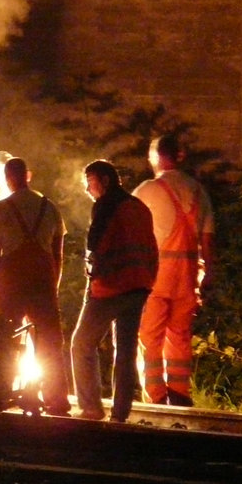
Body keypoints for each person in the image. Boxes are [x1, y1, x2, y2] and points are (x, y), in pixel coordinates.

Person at [70, 159, 158, 422]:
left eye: (90, 182)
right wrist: (148, 281)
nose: (88, 189)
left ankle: (90, 408)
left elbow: (94, 247)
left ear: (105, 181)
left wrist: (92, 277)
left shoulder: (105, 206)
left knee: (82, 344)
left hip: (109, 288)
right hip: (139, 287)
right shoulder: (140, 207)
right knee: (126, 351)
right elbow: (152, 249)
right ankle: (120, 414)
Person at [132, 135, 215, 406]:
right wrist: (210, 274)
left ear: (156, 157)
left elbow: (128, 230)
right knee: (179, 337)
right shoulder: (198, 191)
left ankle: (155, 398)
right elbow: (208, 238)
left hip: (155, 277)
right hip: (187, 277)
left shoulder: (146, 190)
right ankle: (180, 396)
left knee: (149, 338)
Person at [0, 157, 70, 416]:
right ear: (27, 176)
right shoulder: (50, 207)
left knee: (3, 339)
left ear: (8, 178)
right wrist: (52, 285)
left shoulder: (0, 208)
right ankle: (57, 400)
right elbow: (58, 254)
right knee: (50, 343)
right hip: (43, 281)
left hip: (11, 281)